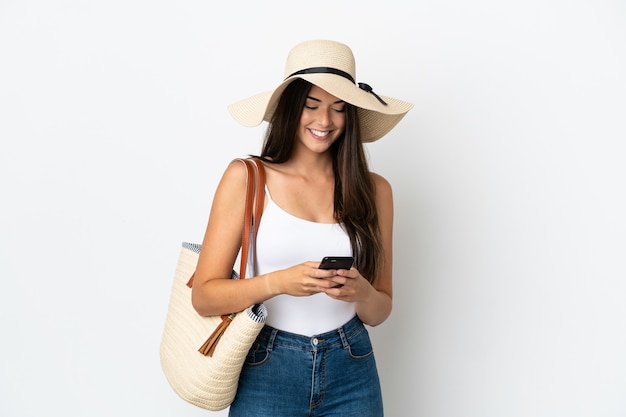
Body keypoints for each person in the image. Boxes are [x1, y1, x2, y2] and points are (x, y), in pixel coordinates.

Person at [191, 39, 413, 416]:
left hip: (352, 365)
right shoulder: (247, 178)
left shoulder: (375, 191)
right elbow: (204, 297)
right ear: (291, 108)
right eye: (311, 106)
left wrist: (360, 292)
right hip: (267, 366)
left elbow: (380, 310)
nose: (324, 121)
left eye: (338, 109)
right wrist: (278, 282)